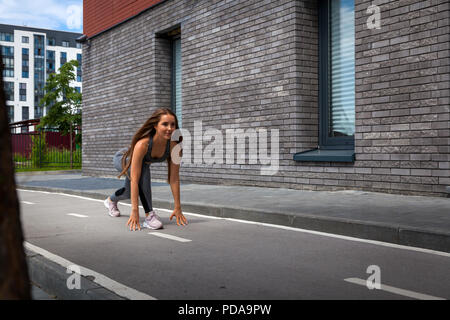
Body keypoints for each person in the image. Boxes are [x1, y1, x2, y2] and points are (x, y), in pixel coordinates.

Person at [104, 107, 187, 231]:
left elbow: (174, 179)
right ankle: (149, 216)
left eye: (172, 124)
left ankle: (110, 201)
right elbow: (135, 179)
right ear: (155, 126)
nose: (170, 128)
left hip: (142, 164)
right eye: (165, 124)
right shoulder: (143, 144)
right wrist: (135, 211)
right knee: (142, 173)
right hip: (123, 159)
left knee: (128, 192)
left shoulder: (175, 146)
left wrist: (178, 207)